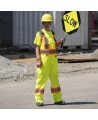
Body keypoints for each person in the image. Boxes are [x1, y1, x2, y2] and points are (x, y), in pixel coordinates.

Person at [34, 13, 66, 107]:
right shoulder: (40, 34)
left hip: (53, 61)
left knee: (55, 80)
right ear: (42, 23)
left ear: (50, 23)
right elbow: (37, 48)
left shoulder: (52, 33)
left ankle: (58, 99)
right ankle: (38, 100)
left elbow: (54, 45)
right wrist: (38, 60)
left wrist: (60, 42)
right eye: (44, 22)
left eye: (48, 22)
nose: (46, 24)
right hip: (44, 61)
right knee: (41, 80)